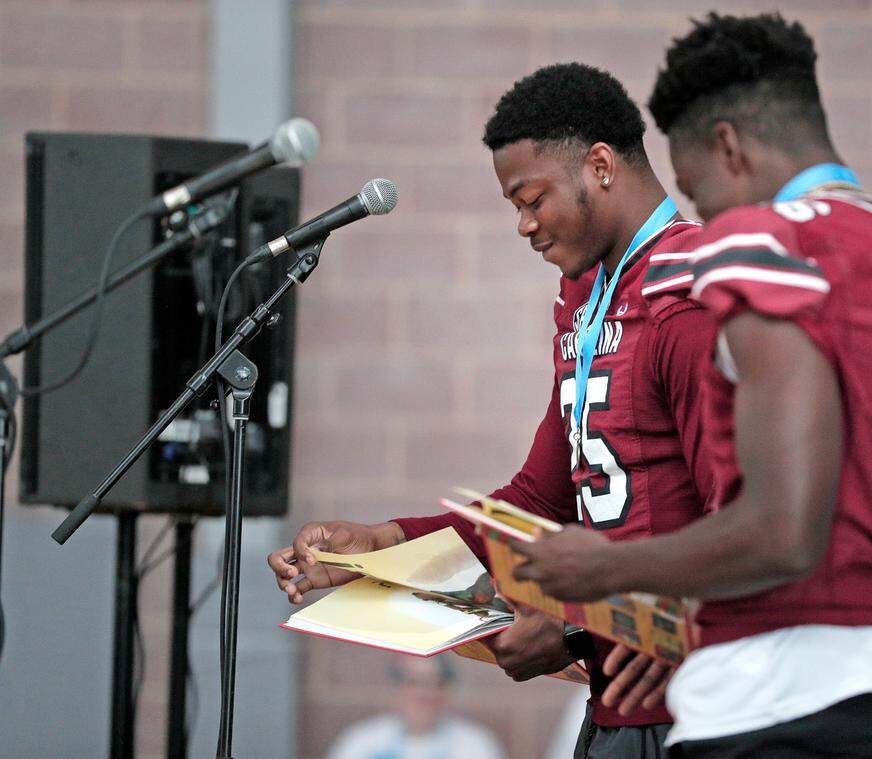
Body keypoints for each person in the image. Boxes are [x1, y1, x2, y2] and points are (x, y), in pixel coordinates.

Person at [512, 13, 872, 758]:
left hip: (780, 695)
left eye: (699, 193)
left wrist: (603, 567)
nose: (703, 219)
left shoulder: (767, 245)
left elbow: (781, 532)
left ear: (728, 147)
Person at [268, 62, 719, 758]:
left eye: (532, 198)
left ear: (599, 165)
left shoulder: (690, 292)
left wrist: (574, 629)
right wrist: (385, 547)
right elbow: (539, 498)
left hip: (702, 709)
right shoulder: (586, 293)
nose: (523, 225)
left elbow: (748, 528)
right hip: (616, 709)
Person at [325, 655, 506, 759]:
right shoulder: (362, 742)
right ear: (396, 688)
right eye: (413, 682)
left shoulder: (474, 745)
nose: (424, 693)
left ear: (448, 690)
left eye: (434, 682)